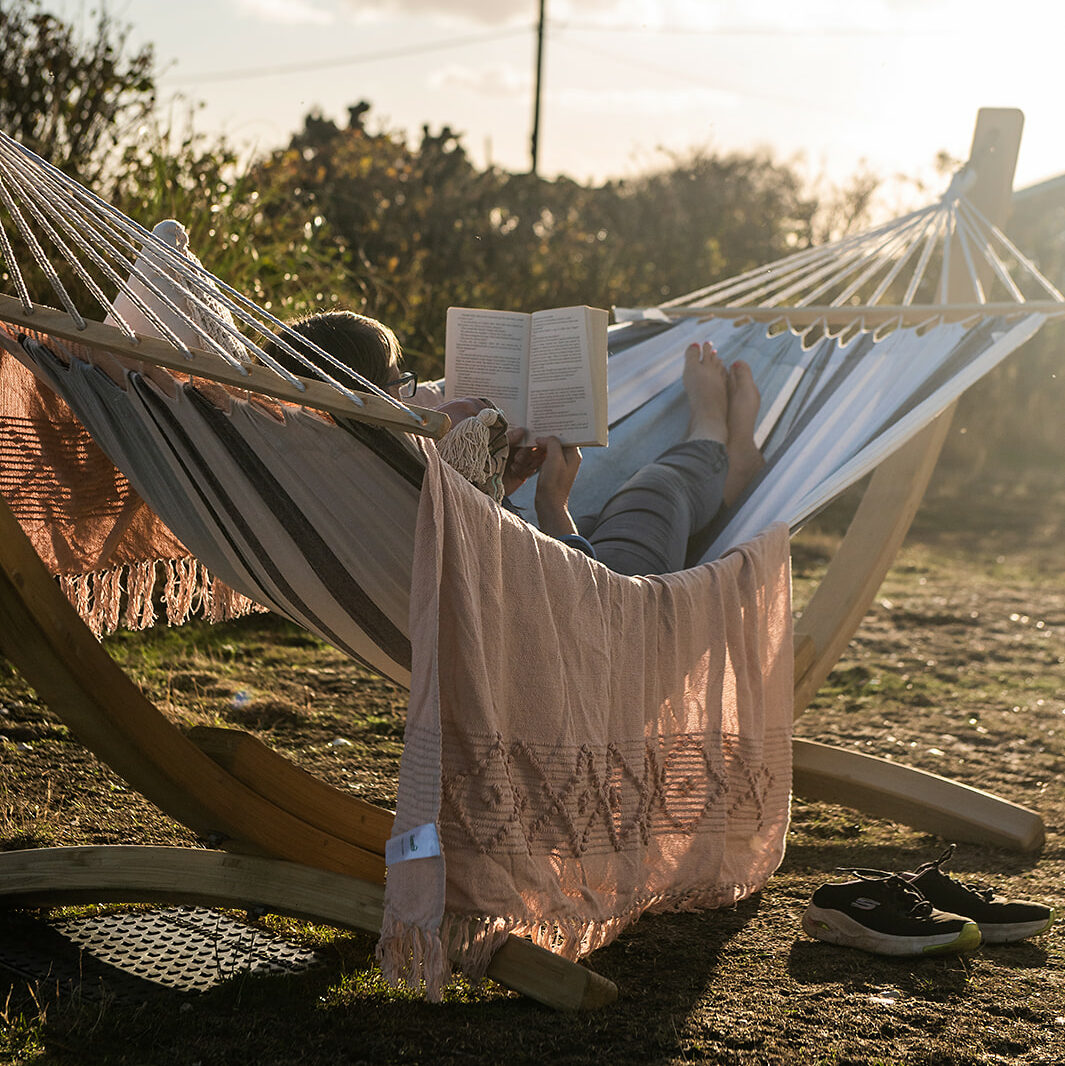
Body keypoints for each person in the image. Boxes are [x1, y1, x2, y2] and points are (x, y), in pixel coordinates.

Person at [262, 311, 764, 576]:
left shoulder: (341, 476)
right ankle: (715, 440)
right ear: (364, 399)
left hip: (558, 578)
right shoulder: (403, 474)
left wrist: (497, 491)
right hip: (618, 604)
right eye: (399, 383)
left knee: (619, 510)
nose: (412, 397)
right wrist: (552, 504)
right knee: (654, 490)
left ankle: (719, 476)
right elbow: (585, 613)